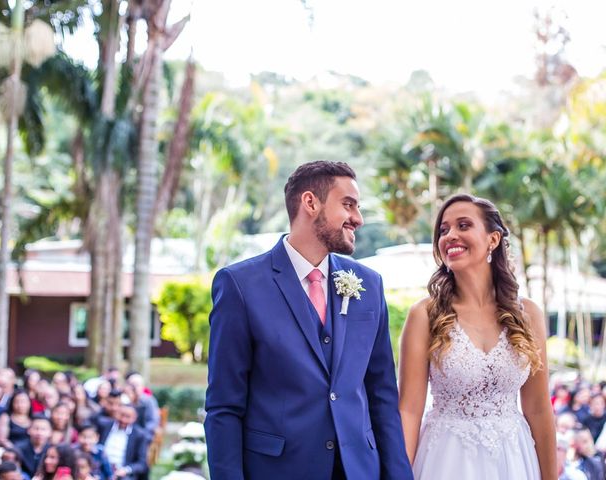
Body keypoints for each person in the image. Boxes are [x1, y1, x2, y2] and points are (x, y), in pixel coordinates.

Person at [205, 161, 413, 479]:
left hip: (359, 470)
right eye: (348, 205)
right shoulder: (240, 285)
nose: (357, 218)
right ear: (310, 203)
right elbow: (224, 407)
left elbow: (381, 394)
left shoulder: (369, 284)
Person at [398, 193, 556, 479]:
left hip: (513, 460)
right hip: (445, 461)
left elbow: (539, 410)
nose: (450, 236)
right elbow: (409, 411)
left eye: (463, 226)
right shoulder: (424, 315)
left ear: (493, 240)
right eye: (443, 230)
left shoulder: (528, 314)